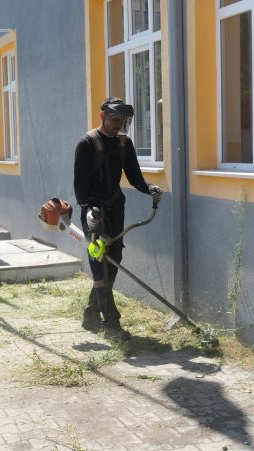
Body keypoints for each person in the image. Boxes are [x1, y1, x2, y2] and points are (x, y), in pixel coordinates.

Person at [73, 97, 163, 340]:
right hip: (94, 211)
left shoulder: (124, 143)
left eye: (123, 121)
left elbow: (135, 177)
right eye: (115, 120)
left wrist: (150, 188)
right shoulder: (87, 144)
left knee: (114, 258)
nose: (118, 125)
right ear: (102, 116)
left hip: (115, 208)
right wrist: (88, 210)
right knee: (99, 263)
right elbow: (79, 186)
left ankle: (91, 313)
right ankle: (112, 324)